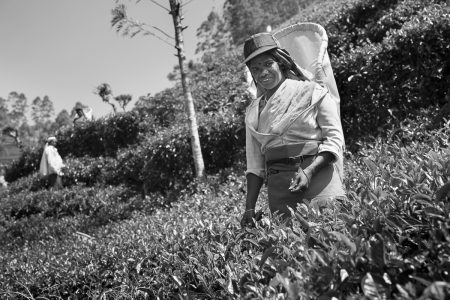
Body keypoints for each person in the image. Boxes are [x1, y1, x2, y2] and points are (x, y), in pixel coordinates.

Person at [240, 32, 346, 227]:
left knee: (331, 237)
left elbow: (334, 139)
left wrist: (310, 171)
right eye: (255, 69)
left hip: (319, 180)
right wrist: (249, 208)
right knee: (295, 249)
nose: (262, 72)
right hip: (281, 191)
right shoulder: (253, 113)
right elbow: (255, 165)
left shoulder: (312, 91)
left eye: (267, 64)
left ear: (280, 62)